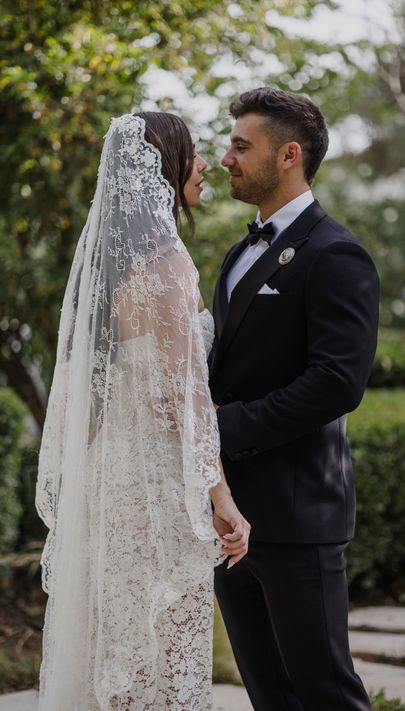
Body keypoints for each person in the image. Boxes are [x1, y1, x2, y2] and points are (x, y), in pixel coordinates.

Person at [35, 111, 250, 711]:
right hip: (156, 483)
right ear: (165, 168)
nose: (205, 165)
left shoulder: (110, 275)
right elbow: (185, 401)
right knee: (160, 647)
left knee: (116, 641)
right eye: (194, 154)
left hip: (110, 476)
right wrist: (222, 499)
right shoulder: (166, 267)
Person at [210, 87, 380, 710]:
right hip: (230, 518)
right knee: (269, 694)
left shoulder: (336, 253)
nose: (225, 158)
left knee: (325, 692)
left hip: (298, 511)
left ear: (287, 155)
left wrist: (222, 430)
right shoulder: (237, 251)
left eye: (240, 146)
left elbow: (337, 381)